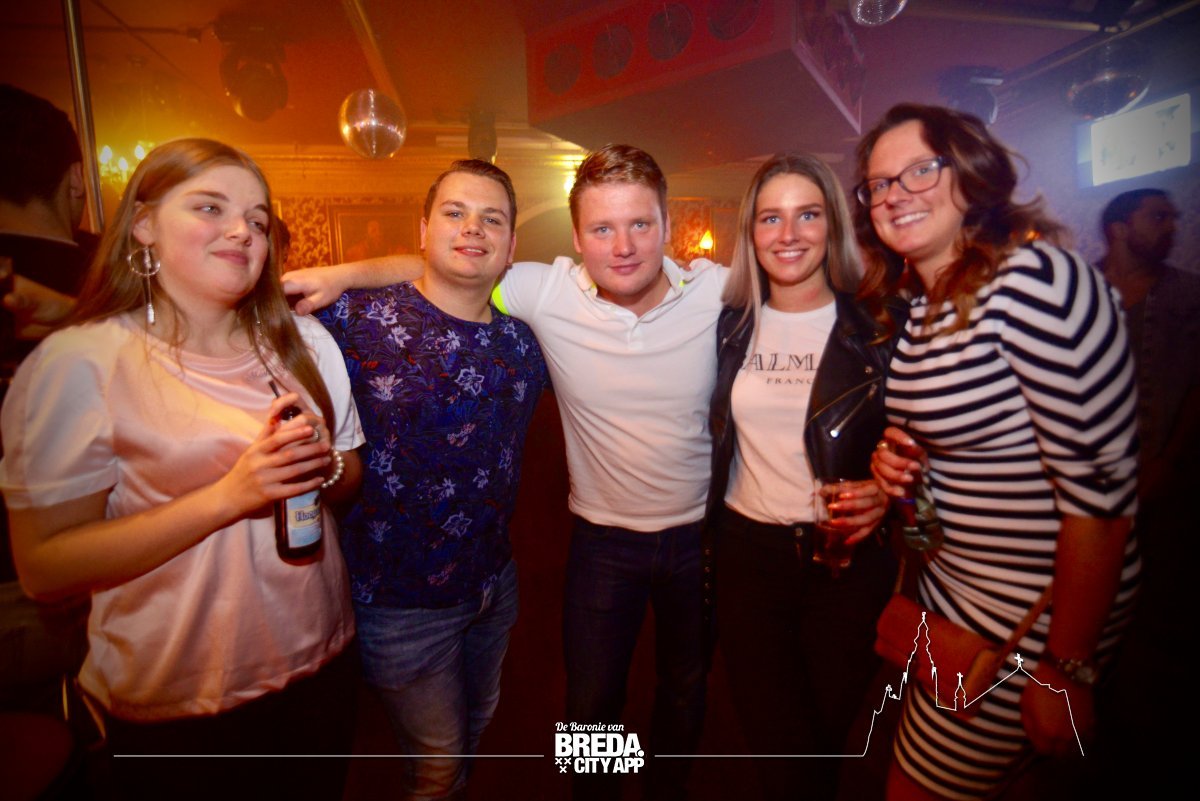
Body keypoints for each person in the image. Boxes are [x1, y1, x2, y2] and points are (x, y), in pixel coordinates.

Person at [284, 144, 725, 801]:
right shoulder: (543, 292)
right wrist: (343, 273)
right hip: (592, 543)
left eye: (641, 223)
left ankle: (666, 788)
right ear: (577, 239)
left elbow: (802, 285)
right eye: (603, 227)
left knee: (685, 686)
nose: (623, 245)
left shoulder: (709, 291)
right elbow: (445, 268)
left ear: (668, 224)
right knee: (589, 702)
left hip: (696, 538)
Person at [0, 138, 365, 801]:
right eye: (210, 207)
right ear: (144, 224)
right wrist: (231, 494)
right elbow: (45, 568)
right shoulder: (82, 363)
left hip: (323, 664)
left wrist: (324, 463)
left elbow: (349, 481)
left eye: (257, 219)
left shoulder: (305, 343)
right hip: (181, 702)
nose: (241, 231)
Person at [858, 104, 1140, 800]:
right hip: (953, 601)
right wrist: (900, 462)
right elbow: (972, 438)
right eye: (878, 184)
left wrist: (1065, 669)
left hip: (1026, 621)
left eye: (919, 170)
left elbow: (1103, 501)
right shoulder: (922, 308)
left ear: (969, 173)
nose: (894, 194)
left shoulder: (1033, 281)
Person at [314, 159, 547, 799]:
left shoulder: (525, 343)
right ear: (423, 229)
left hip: (493, 583)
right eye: (455, 213)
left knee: (476, 727)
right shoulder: (352, 319)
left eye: (491, 218)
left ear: (510, 245)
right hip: (398, 603)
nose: (472, 228)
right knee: (438, 768)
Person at [705, 153, 898, 799]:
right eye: (770, 218)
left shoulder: (880, 329)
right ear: (750, 232)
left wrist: (891, 493)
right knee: (779, 748)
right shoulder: (727, 326)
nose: (788, 234)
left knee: (823, 744)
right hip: (747, 560)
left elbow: (934, 447)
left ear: (832, 225)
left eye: (807, 214)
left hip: (846, 569)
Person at [1092, 188, 1197, 794]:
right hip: (1090, 487)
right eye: (1158, 216)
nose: (1170, 226)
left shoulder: (1187, 295)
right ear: (1119, 227)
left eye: (1172, 216)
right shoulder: (1081, 291)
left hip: (1166, 486)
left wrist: (1170, 461)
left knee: (1160, 619)